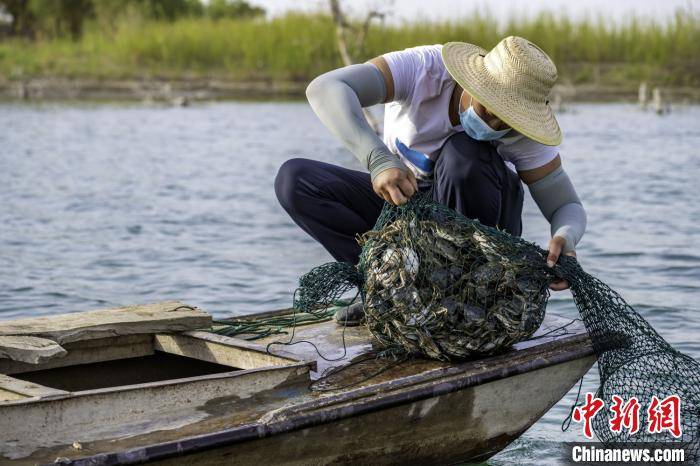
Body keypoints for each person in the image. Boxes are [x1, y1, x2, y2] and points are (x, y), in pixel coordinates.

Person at [275, 36, 586, 325]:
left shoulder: (525, 134)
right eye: (489, 109)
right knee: (296, 181)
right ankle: (386, 290)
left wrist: (565, 238)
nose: (494, 123)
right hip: (406, 216)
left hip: (480, 243)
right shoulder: (424, 70)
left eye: (507, 122)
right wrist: (378, 159)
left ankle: (467, 297)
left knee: (462, 153)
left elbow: (566, 205)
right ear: (473, 83)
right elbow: (326, 87)